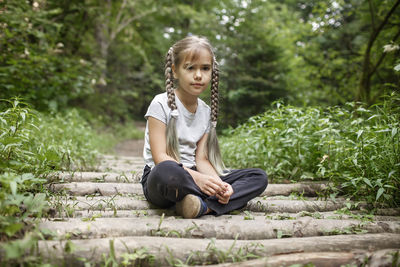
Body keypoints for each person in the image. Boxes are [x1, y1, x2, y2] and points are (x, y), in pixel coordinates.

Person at [141, 35, 268, 218]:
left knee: (258, 177)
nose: (199, 75)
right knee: (167, 172)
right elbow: (160, 157)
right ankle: (203, 199)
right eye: (190, 68)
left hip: (195, 172)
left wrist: (219, 185)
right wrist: (198, 180)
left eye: (205, 68)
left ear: (212, 72)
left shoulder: (206, 112)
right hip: (166, 177)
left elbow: (201, 160)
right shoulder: (160, 103)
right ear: (175, 71)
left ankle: (201, 206)